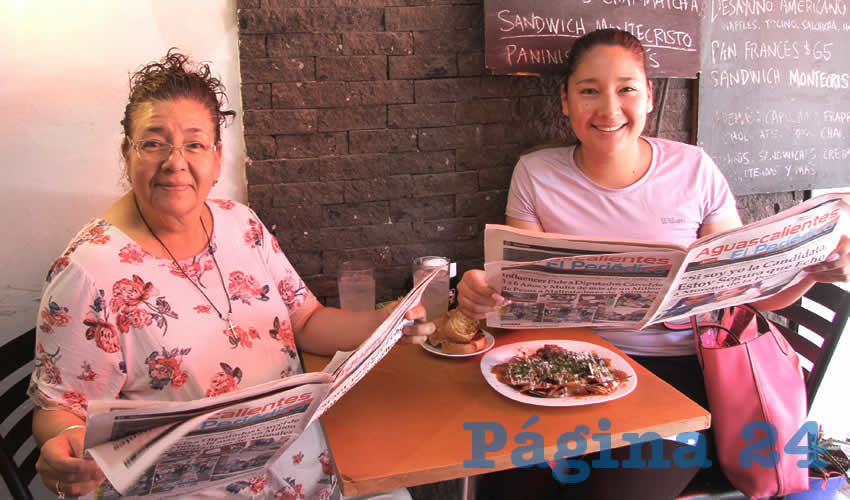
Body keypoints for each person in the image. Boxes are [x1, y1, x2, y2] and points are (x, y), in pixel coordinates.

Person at [457, 29, 850, 499]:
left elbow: (743, 296)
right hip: (566, 367)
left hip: (678, 377)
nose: (608, 109)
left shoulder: (694, 169)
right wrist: (482, 291)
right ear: (564, 101)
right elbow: (519, 294)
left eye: (626, 89)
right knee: (503, 485)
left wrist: (810, 271)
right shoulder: (536, 174)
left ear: (648, 97)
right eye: (589, 90)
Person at [29, 50, 433, 500]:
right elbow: (60, 409)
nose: (175, 162)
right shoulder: (88, 273)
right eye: (154, 142)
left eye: (195, 144)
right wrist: (62, 440)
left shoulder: (241, 223)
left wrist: (390, 320)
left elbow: (307, 321)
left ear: (217, 158)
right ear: (127, 154)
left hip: (306, 468)